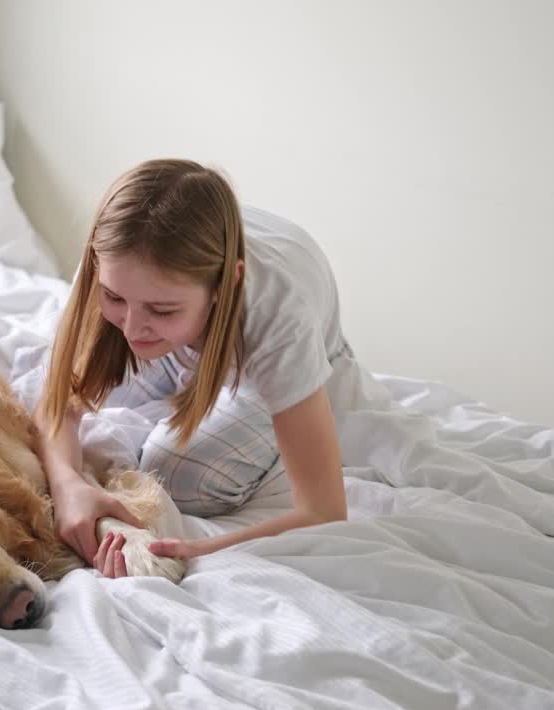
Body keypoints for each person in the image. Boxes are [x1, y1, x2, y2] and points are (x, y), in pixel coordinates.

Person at [33, 158, 368, 578]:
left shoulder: (280, 316)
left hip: (269, 347)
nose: (132, 330)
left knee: (174, 474)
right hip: (194, 321)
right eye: (114, 299)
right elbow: (58, 396)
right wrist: (68, 486)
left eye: (161, 308)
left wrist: (200, 546)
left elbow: (323, 510)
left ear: (223, 288)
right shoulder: (117, 263)